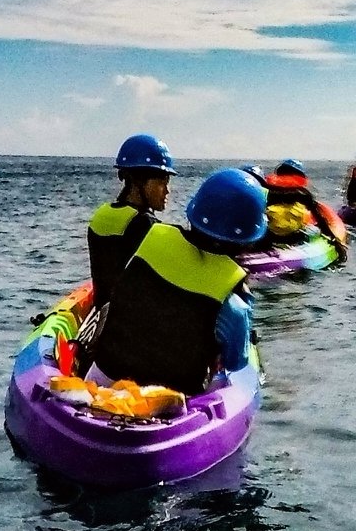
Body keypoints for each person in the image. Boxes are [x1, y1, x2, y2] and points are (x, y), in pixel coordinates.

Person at [86, 167, 265, 395]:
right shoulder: (233, 302)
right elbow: (235, 363)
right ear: (249, 239)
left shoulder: (152, 237)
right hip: (168, 402)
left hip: (102, 379)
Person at [87, 133, 174, 313]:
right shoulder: (145, 225)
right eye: (162, 181)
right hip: (132, 328)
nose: (167, 190)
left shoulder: (101, 214)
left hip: (103, 319)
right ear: (138, 181)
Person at [260, 159, 347, 260]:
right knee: (312, 230)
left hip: (270, 237)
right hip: (293, 238)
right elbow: (319, 218)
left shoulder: (267, 193)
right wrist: (334, 241)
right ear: (300, 176)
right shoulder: (303, 195)